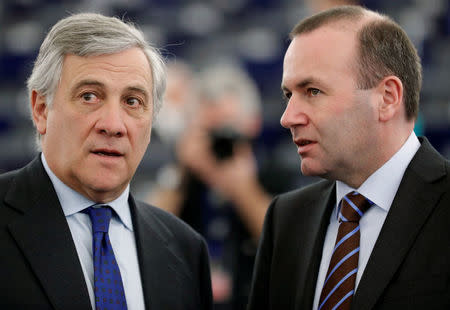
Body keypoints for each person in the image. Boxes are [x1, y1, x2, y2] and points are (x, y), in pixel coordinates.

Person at [0, 13, 212, 310]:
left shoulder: (186, 249)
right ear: (41, 110)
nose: (114, 124)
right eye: (89, 96)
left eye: (133, 101)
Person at [248, 5, 450, 310]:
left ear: (387, 98)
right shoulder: (286, 219)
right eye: (289, 95)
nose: (288, 118)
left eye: (313, 91)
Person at [148, 62, 286, 310]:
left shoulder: (275, 174)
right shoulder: (183, 179)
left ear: (252, 124)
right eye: (210, 132)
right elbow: (146, 234)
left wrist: (242, 187)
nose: (219, 143)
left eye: (228, 130)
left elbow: (285, 246)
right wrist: (182, 170)